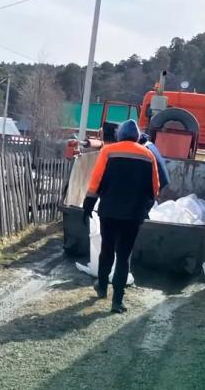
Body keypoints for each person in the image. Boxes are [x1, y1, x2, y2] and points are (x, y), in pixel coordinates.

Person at [83, 120, 159, 313]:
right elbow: (154, 188)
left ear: (120, 134)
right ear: (137, 136)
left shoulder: (108, 151)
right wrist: (144, 206)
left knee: (107, 250)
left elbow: (96, 180)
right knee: (124, 256)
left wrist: (88, 204)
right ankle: (117, 301)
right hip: (133, 215)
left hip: (109, 211)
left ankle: (101, 287)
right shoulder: (149, 155)